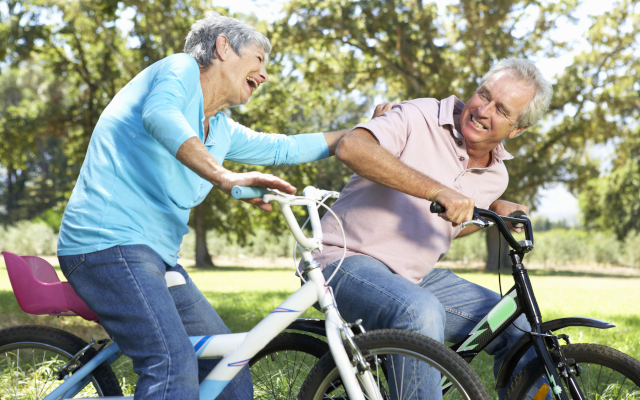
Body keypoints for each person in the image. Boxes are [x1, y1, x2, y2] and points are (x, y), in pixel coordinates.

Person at [56, 12, 384, 400]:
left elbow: (284, 147)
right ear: (223, 46)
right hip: (106, 245)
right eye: (259, 59)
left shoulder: (220, 129)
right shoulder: (178, 69)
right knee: (170, 363)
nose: (264, 75)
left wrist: (364, 131)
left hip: (156, 259)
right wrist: (225, 177)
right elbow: (160, 115)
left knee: (227, 363)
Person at [312, 58, 553, 398]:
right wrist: (437, 189)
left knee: (517, 324)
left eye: (501, 109)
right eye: (483, 95)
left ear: (517, 130)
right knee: (419, 310)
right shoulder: (419, 115)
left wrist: (493, 211)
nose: (483, 110)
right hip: (343, 259)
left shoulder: (498, 176)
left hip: (413, 277)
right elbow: (352, 146)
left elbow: (450, 223)